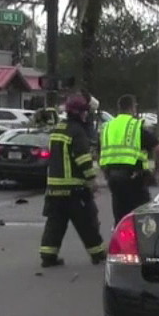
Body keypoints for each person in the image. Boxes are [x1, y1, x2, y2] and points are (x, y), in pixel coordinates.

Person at [38, 95, 107, 268]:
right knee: (88, 222)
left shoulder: (57, 129)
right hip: (74, 188)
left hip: (54, 188)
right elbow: (83, 158)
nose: (86, 115)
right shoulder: (77, 131)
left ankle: (48, 256)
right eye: (85, 112)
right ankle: (98, 253)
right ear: (79, 113)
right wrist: (92, 179)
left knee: (55, 224)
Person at [98, 94, 159, 225]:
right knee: (143, 219)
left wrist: (106, 173)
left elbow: (100, 154)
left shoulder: (107, 127)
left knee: (120, 219)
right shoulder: (135, 126)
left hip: (113, 179)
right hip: (134, 180)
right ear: (132, 108)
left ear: (119, 108)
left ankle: (120, 240)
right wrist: (156, 172)